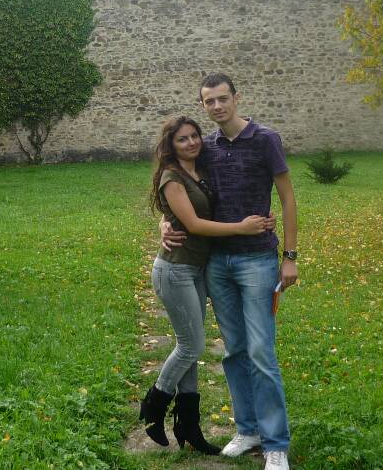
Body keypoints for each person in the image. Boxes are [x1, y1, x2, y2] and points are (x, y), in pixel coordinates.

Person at [162, 74, 298, 470]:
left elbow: (288, 198)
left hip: (258, 260)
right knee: (235, 349)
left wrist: (290, 256)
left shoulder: (265, 139)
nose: (217, 106)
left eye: (223, 99)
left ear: (237, 98)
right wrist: (164, 224)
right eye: (210, 101)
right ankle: (248, 429)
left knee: (261, 352)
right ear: (203, 105)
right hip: (217, 263)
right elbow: (177, 186)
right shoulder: (207, 147)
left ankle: (275, 443)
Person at [141, 115, 275, 454]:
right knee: (191, 346)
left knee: (189, 345)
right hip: (175, 269)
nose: (191, 142)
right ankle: (155, 403)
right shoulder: (172, 176)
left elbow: (184, 212)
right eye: (182, 139)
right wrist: (242, 228)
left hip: (197, 268)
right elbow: (194, 224)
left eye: (194, 136)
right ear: (171, 145)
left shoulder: (201, 169)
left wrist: (263, 219)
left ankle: (189, 426)